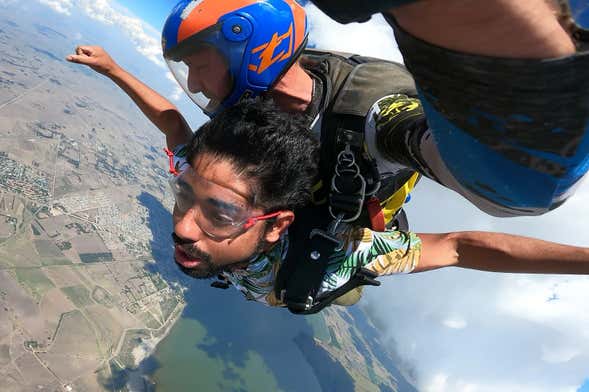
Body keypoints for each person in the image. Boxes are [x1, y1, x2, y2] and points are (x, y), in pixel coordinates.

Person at [166, 97, 589, 314]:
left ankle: (408, 141)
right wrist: (112, 70)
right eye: (183, 194)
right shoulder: (211, 180)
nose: (184, 227)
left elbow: (459, 247)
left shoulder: (337, 260)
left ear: (277, 226)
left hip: (309, 279)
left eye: (220, 215)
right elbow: (173, 127)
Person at [307, 0, 589, 216]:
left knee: (524, 185)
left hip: (371, 119)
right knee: (526, 185)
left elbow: (458, 246)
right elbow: (458, 247)